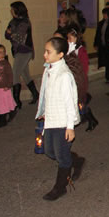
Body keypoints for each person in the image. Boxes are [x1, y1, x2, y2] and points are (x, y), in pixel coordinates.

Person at [35, 37, 84, 201]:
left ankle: (60, 187)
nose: (44, 55)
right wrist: (44, 111)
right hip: (51, 118)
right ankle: (76, 161)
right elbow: (47, 94)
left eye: (48, 52)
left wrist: (70, 127)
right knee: (49, 151)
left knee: (62, 157)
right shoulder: (49, 70)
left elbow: (70, 103)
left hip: (63, 121)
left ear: (61, 54)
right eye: (45, 51)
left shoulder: (64, 75)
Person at [5, 1, 39, 109]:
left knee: (15, 73)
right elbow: (7, 34)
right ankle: (35, 94)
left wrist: (11, 34)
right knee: (25, 74)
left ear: (17, 10)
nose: (11, 11)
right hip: (17, 50)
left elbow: (20, 38)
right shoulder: (12, 21)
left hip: (25, 51)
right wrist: (10, 34)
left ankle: (16, 101)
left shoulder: (25, 22)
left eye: (12, 9)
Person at [0, 44, 18, 128]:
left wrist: (9, 84)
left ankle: (2, 120)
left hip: (4, 87)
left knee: (2, 103)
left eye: (3, 52)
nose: (2, 54)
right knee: (3, 102)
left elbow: (10, 75)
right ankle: (12, 111)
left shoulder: (5, 64)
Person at [94, 8, 109, 83]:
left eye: (105, 14)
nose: (104, 15)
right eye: (103, 14)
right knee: (105, 61)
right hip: (102, 44)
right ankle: (108, 76)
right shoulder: (101, 23)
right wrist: (96, 44)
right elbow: (98, 34)